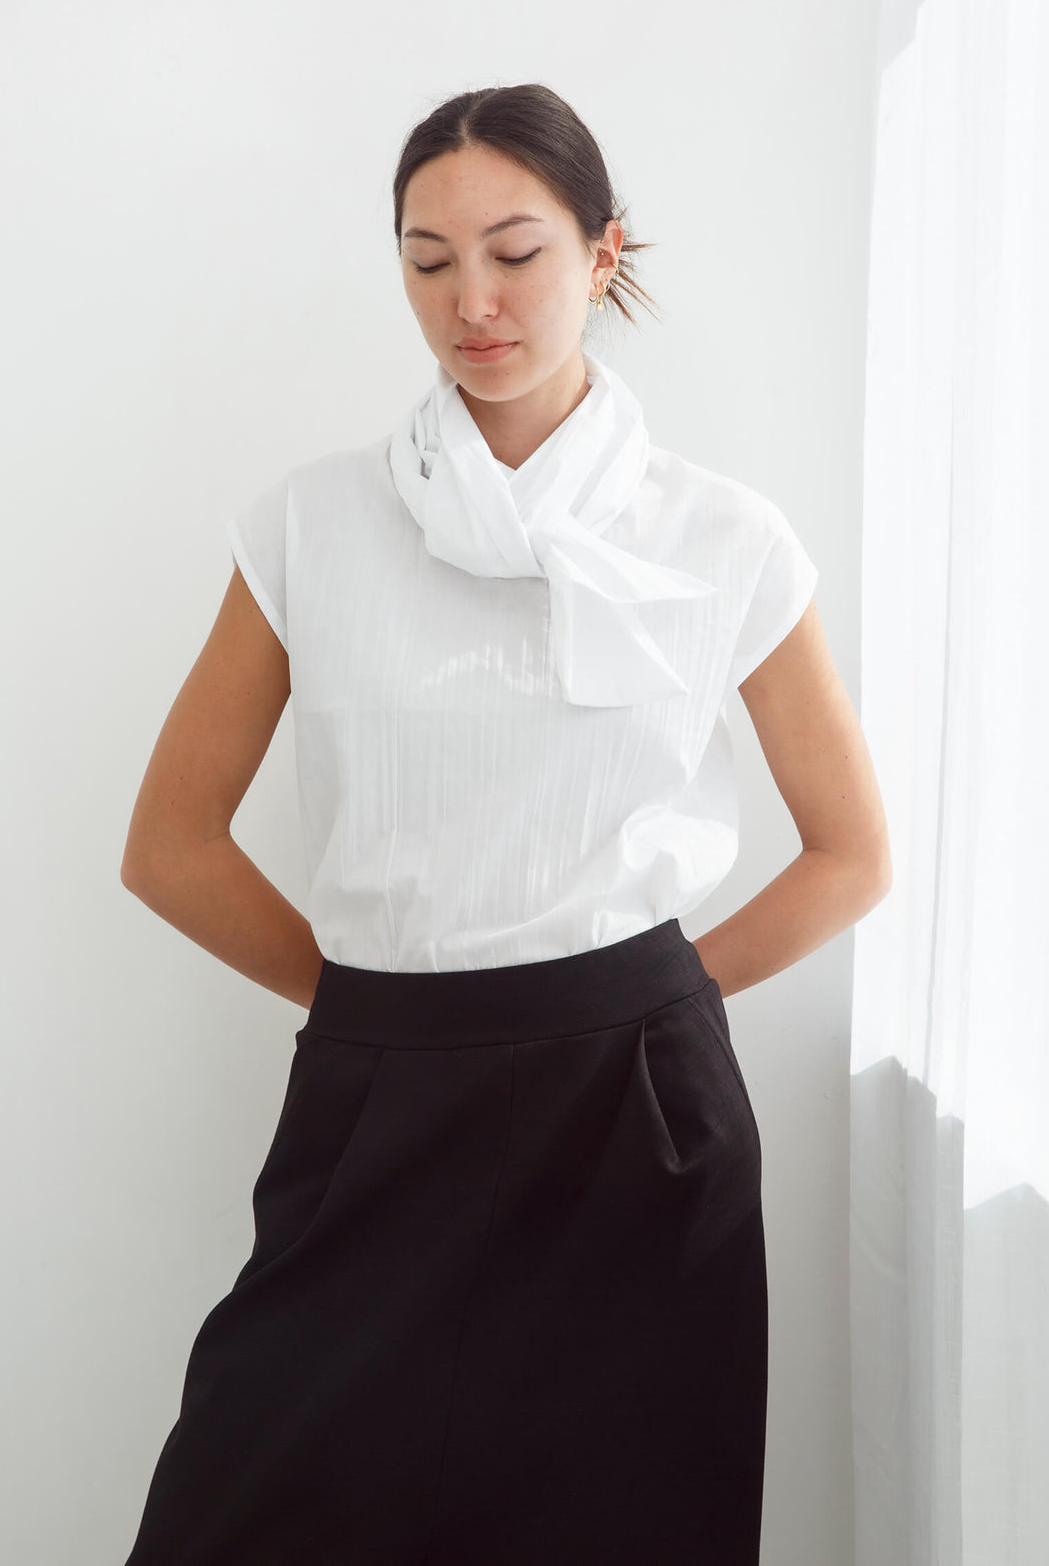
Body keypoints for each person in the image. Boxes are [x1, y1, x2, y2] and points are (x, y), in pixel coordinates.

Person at [118, 82, 891, 1566]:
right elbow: (171, 843)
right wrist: (372, 1010)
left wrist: (637, 1005)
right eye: (426, 259)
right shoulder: (310, 523)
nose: (471, 299)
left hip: (635, 1122)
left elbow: (853, 852)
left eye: (516, 252)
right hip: (379, 1097)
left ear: (603, 256)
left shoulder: (721, 535)